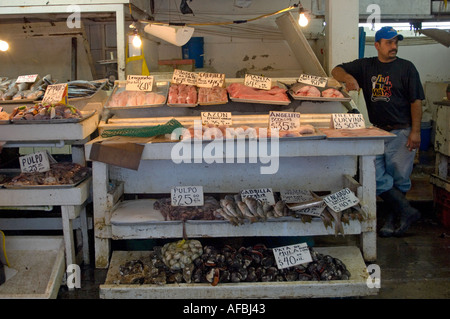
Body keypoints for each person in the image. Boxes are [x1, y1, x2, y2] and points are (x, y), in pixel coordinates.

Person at [331, 26, 424, 237]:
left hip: (402, 132)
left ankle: (394, 219)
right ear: (377, 45)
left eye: (396, 42)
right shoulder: (366, 66)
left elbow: (416, 101)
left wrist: (416, 132)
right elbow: (335, 69)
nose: (394, 46)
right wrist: (347, 78)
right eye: (389, 42)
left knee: (400, 178)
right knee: (376, 176)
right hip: (377, 131)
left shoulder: (407, 68)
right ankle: (406, 211)